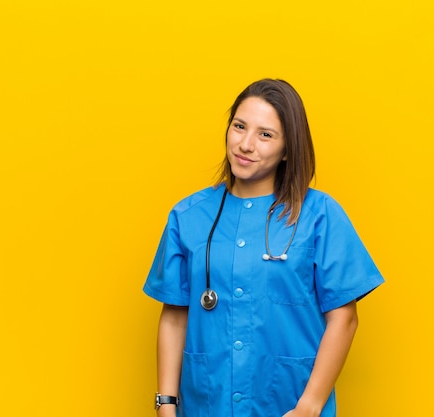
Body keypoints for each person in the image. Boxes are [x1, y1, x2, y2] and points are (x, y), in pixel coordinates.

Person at [143, 79, 384, 417]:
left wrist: (310, 406)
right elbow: (174, 315)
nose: (245, 144)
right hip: (206, 405)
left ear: (288, 149)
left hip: (290, 406)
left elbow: (343, 318)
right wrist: (165, 404)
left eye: (265, 134)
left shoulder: (319, 216)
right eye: (239, 127)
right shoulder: (188, 216)